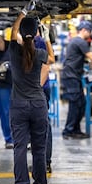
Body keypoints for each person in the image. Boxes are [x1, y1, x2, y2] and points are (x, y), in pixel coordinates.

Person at [9, 4, 55, 184]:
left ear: (21, 32)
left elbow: (13, 32)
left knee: (19, 148)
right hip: (38, 105)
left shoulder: (14, 52)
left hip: (18, 105)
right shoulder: (40, 54)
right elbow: (52, 58)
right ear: (36, 33)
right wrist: (46, 38)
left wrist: (23, 13)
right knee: (39, 149)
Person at [61, 20, 92, 139]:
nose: (90, 34)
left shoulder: (76, 41)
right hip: (71, 76)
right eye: (89, 32)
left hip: (73, 76)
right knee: (75, 104)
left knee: (81, 103)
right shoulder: (80, 42)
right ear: (84, 30)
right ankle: (68, 130)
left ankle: (75, 129)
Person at [34, 33, 53, 173]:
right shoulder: (36, 41)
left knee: (43, 124)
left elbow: (47, 64)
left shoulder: (38, 41)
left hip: (40, 89)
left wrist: (36, 88)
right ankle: (43, 163)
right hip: (39, 89)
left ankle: (45, 163)